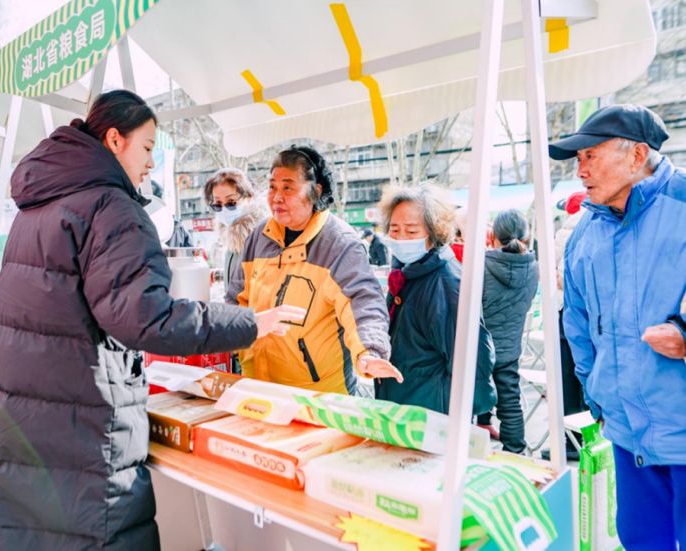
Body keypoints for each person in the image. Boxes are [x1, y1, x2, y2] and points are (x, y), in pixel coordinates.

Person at [0, 90, 301, 550]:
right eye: (149, 147)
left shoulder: (37, 204)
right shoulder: (112, 209)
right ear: (115, 140)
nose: (152, 162)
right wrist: (250, 323)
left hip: (16, 421)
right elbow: (147, 319)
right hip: (80, 430)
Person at [553, 104, 686, 548]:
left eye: (591, 155)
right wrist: (598, 395)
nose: (581, 170)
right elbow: (577, 325)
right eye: (578, 160)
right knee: (641, 540)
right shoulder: (583, 235)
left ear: (636, 155)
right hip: (628, 436)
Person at [227, 145, 401, 394]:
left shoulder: (339, 243)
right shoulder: (259, 236)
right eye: (273, 186)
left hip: (319, 396)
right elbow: (236, 298)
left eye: (288, 187)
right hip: (258, 387)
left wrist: (369, 351)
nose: (276, 196)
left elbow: (363, 303)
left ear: (315, 191)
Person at [376, 185, 496, 415]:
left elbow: (473, 362)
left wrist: (457, 416)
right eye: (394, 229)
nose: (401, 238)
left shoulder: (446, 283)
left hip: (431, 414)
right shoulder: (407, 272)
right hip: (403, 406)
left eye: (411, 231)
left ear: (434, 232)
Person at [476, 210, 538, 453]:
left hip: (480, 346)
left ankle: (474, 440)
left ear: (492, 235)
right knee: (510, 400)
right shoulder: (534, 268)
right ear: (527, 235)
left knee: (471, 392)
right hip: (510, 347)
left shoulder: (481, 264)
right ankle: (515, 449)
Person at [544, 190, 588, 461]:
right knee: (585, 377)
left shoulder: (565, 232)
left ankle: (573, 440)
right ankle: (589, 437)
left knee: (569, 378)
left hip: (565, 314)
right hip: (589, 316)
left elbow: (552, 275)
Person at [204, 168, 268, 290]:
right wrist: (220, 275)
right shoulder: (232, 236)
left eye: (231, 202)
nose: (224, 209)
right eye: (218, 204)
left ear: (249, 197)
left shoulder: (263, 236)